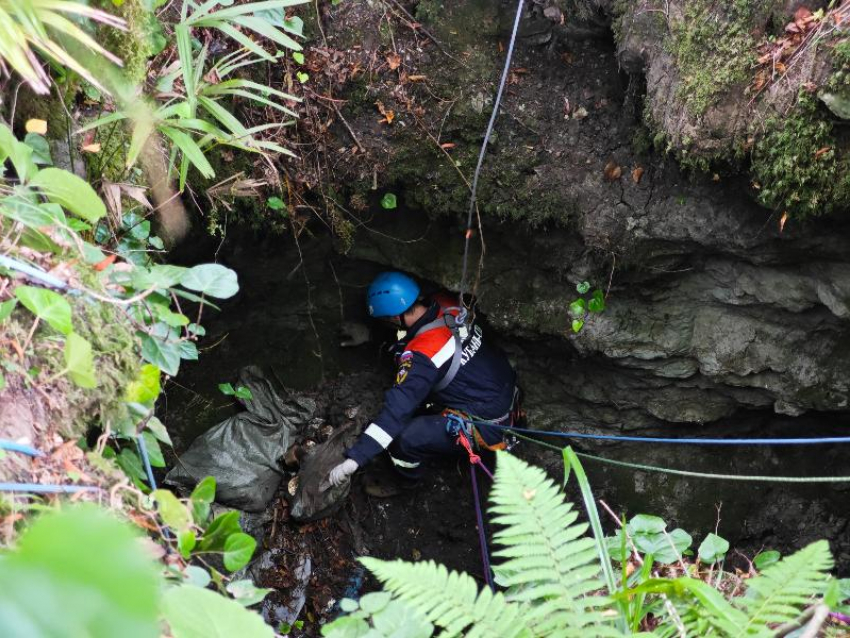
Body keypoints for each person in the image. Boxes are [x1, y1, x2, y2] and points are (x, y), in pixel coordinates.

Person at [326, 271, 519, 492]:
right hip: (503, 390)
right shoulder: (448, 303)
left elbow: (396, 412)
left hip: (487, 424)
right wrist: (372, 337)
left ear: (392, 318)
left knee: (403, 439)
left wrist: (355, 459)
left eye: (385, 321)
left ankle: (406, 481)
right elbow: (415, 338)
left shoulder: (422, 358)